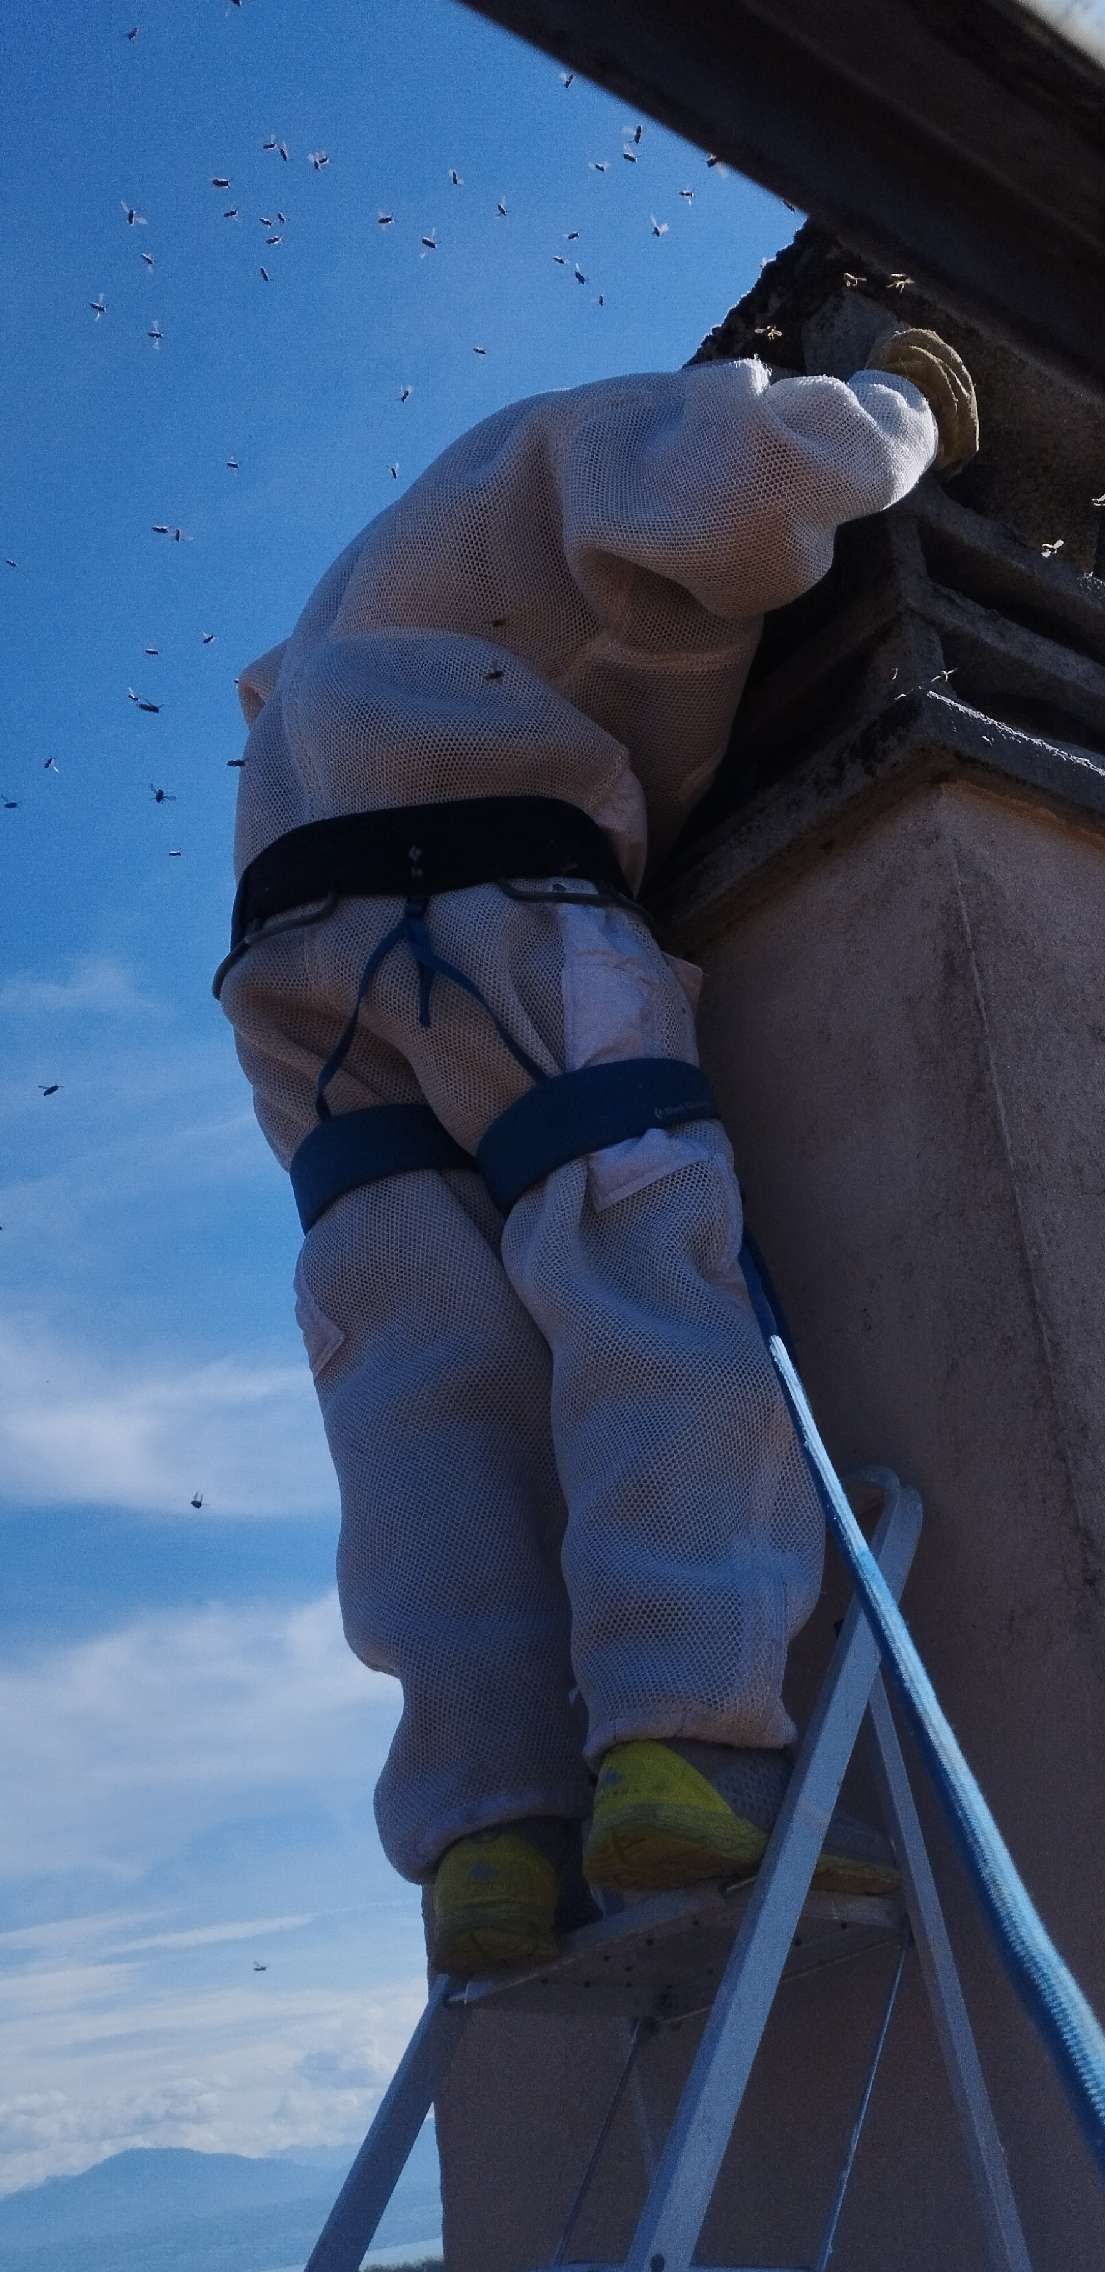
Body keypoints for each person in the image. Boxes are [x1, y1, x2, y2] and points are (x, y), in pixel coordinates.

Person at [216, 325, 979, 1976]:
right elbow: (752, 476)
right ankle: (686, 1740)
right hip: (501, 894)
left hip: (295, 979)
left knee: (420, 1375)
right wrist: (910, 402)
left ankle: (489, 1834)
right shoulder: (585, 438)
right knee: (641, 1255)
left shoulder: (347, 608)